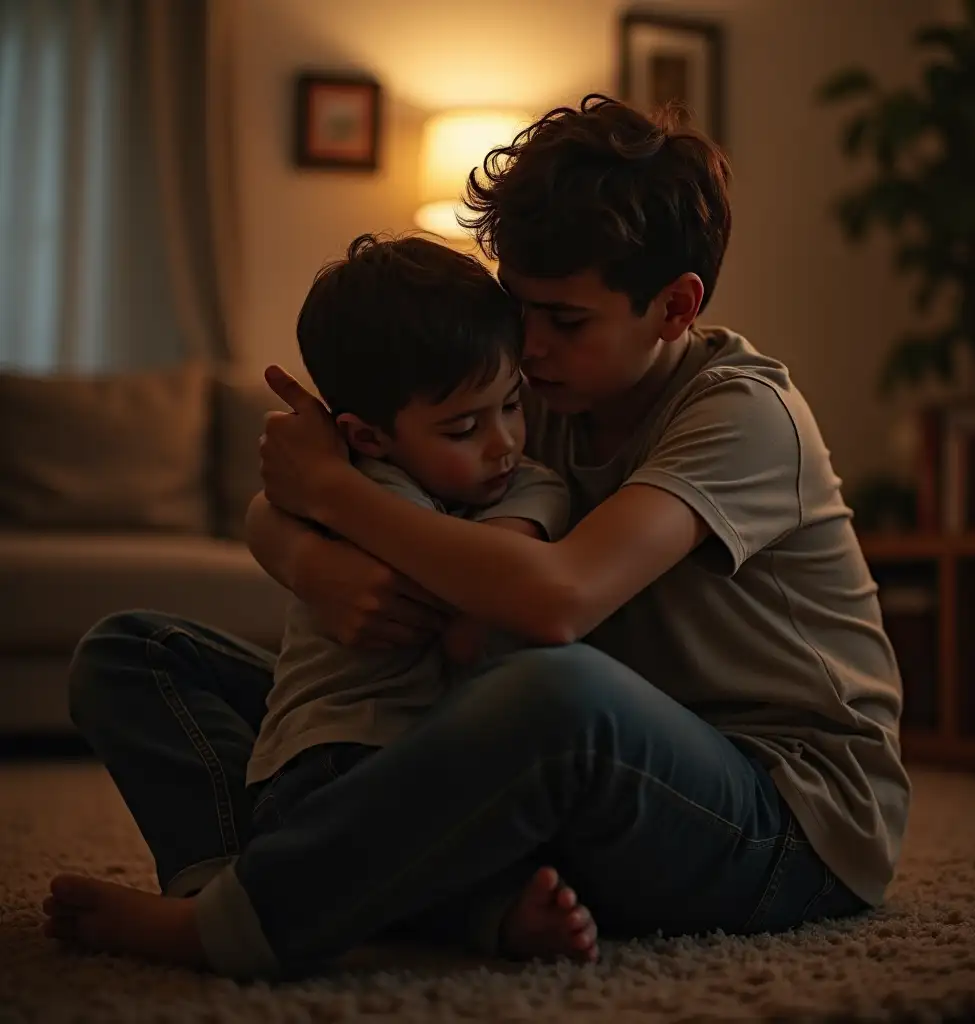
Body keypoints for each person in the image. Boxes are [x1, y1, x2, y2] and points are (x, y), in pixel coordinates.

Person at [43, 94, 911, 981]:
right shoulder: (533, 387)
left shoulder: (746, 415)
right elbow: (285, 495)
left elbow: (555, 599)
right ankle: (243, 886)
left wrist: (335, 495)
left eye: (565, 320)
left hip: (783, 816)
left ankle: (236, 928)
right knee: (132, 652)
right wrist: (308, 557)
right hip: (572, 765)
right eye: (519, 308)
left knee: (551, 691)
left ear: (676, 307)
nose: (528, 348)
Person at [248, 231, 571, 846]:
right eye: (463, 429)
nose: (504, 441)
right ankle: (227, 893)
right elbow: (468, 622)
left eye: (511, 406)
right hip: (333, 753)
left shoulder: (534, 487)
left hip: (448, 756)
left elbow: (485, 595)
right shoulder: (366, 484)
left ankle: (482, 912)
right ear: (369, 438)